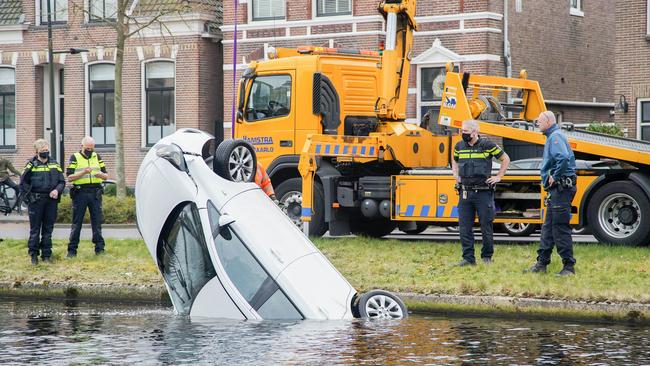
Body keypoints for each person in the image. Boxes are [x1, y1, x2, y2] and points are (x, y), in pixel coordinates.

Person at [452, 120, 510, 266]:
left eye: (465, 131)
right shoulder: (459, 146)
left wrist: (498, 177)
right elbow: (454, 160)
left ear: (474, 132)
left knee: (486, 225)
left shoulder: (487, 145)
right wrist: (455, 174)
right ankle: (468, 259)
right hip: (465, 193)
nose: (462, 134)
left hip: (483, 193)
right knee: (464, 227)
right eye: (462, 131)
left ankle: (487, 257)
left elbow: (505, 158)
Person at [525, 111, 577, 276]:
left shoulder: (555, 136)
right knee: (548, 228)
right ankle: (542, 263)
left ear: (548, 121)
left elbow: (563, 157)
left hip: (561, 189)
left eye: (539, 121)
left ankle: (568, 267)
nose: (537, 124)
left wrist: (555, 176)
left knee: (560, 228)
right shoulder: (553, 136)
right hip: (556, 191)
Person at [19, 139, 65, 265]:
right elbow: (22, 183)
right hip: (36, 201)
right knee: (35, 230)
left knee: (48, 229)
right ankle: (33, 255)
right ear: (37, 151)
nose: (46, 152)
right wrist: (30, 198)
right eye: (43, 150)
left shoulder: (54, 163)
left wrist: (56, 190)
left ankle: (46, 255)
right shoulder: (31, 164)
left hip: (51, 201)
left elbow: (62, 181)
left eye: (46, 150)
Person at [66, 136, 109, 257]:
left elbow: (106, 175)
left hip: (95, 192)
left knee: (97, 222)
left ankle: (100, 249)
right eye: (87, 148)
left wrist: (101, 175)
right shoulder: (75, 157)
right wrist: (83, 172)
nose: (90, 150)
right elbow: (69, 177)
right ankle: (72, 251)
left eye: (92, 148)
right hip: (80, 193)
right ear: (82, 146)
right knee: (77, 222)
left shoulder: (97, 156)